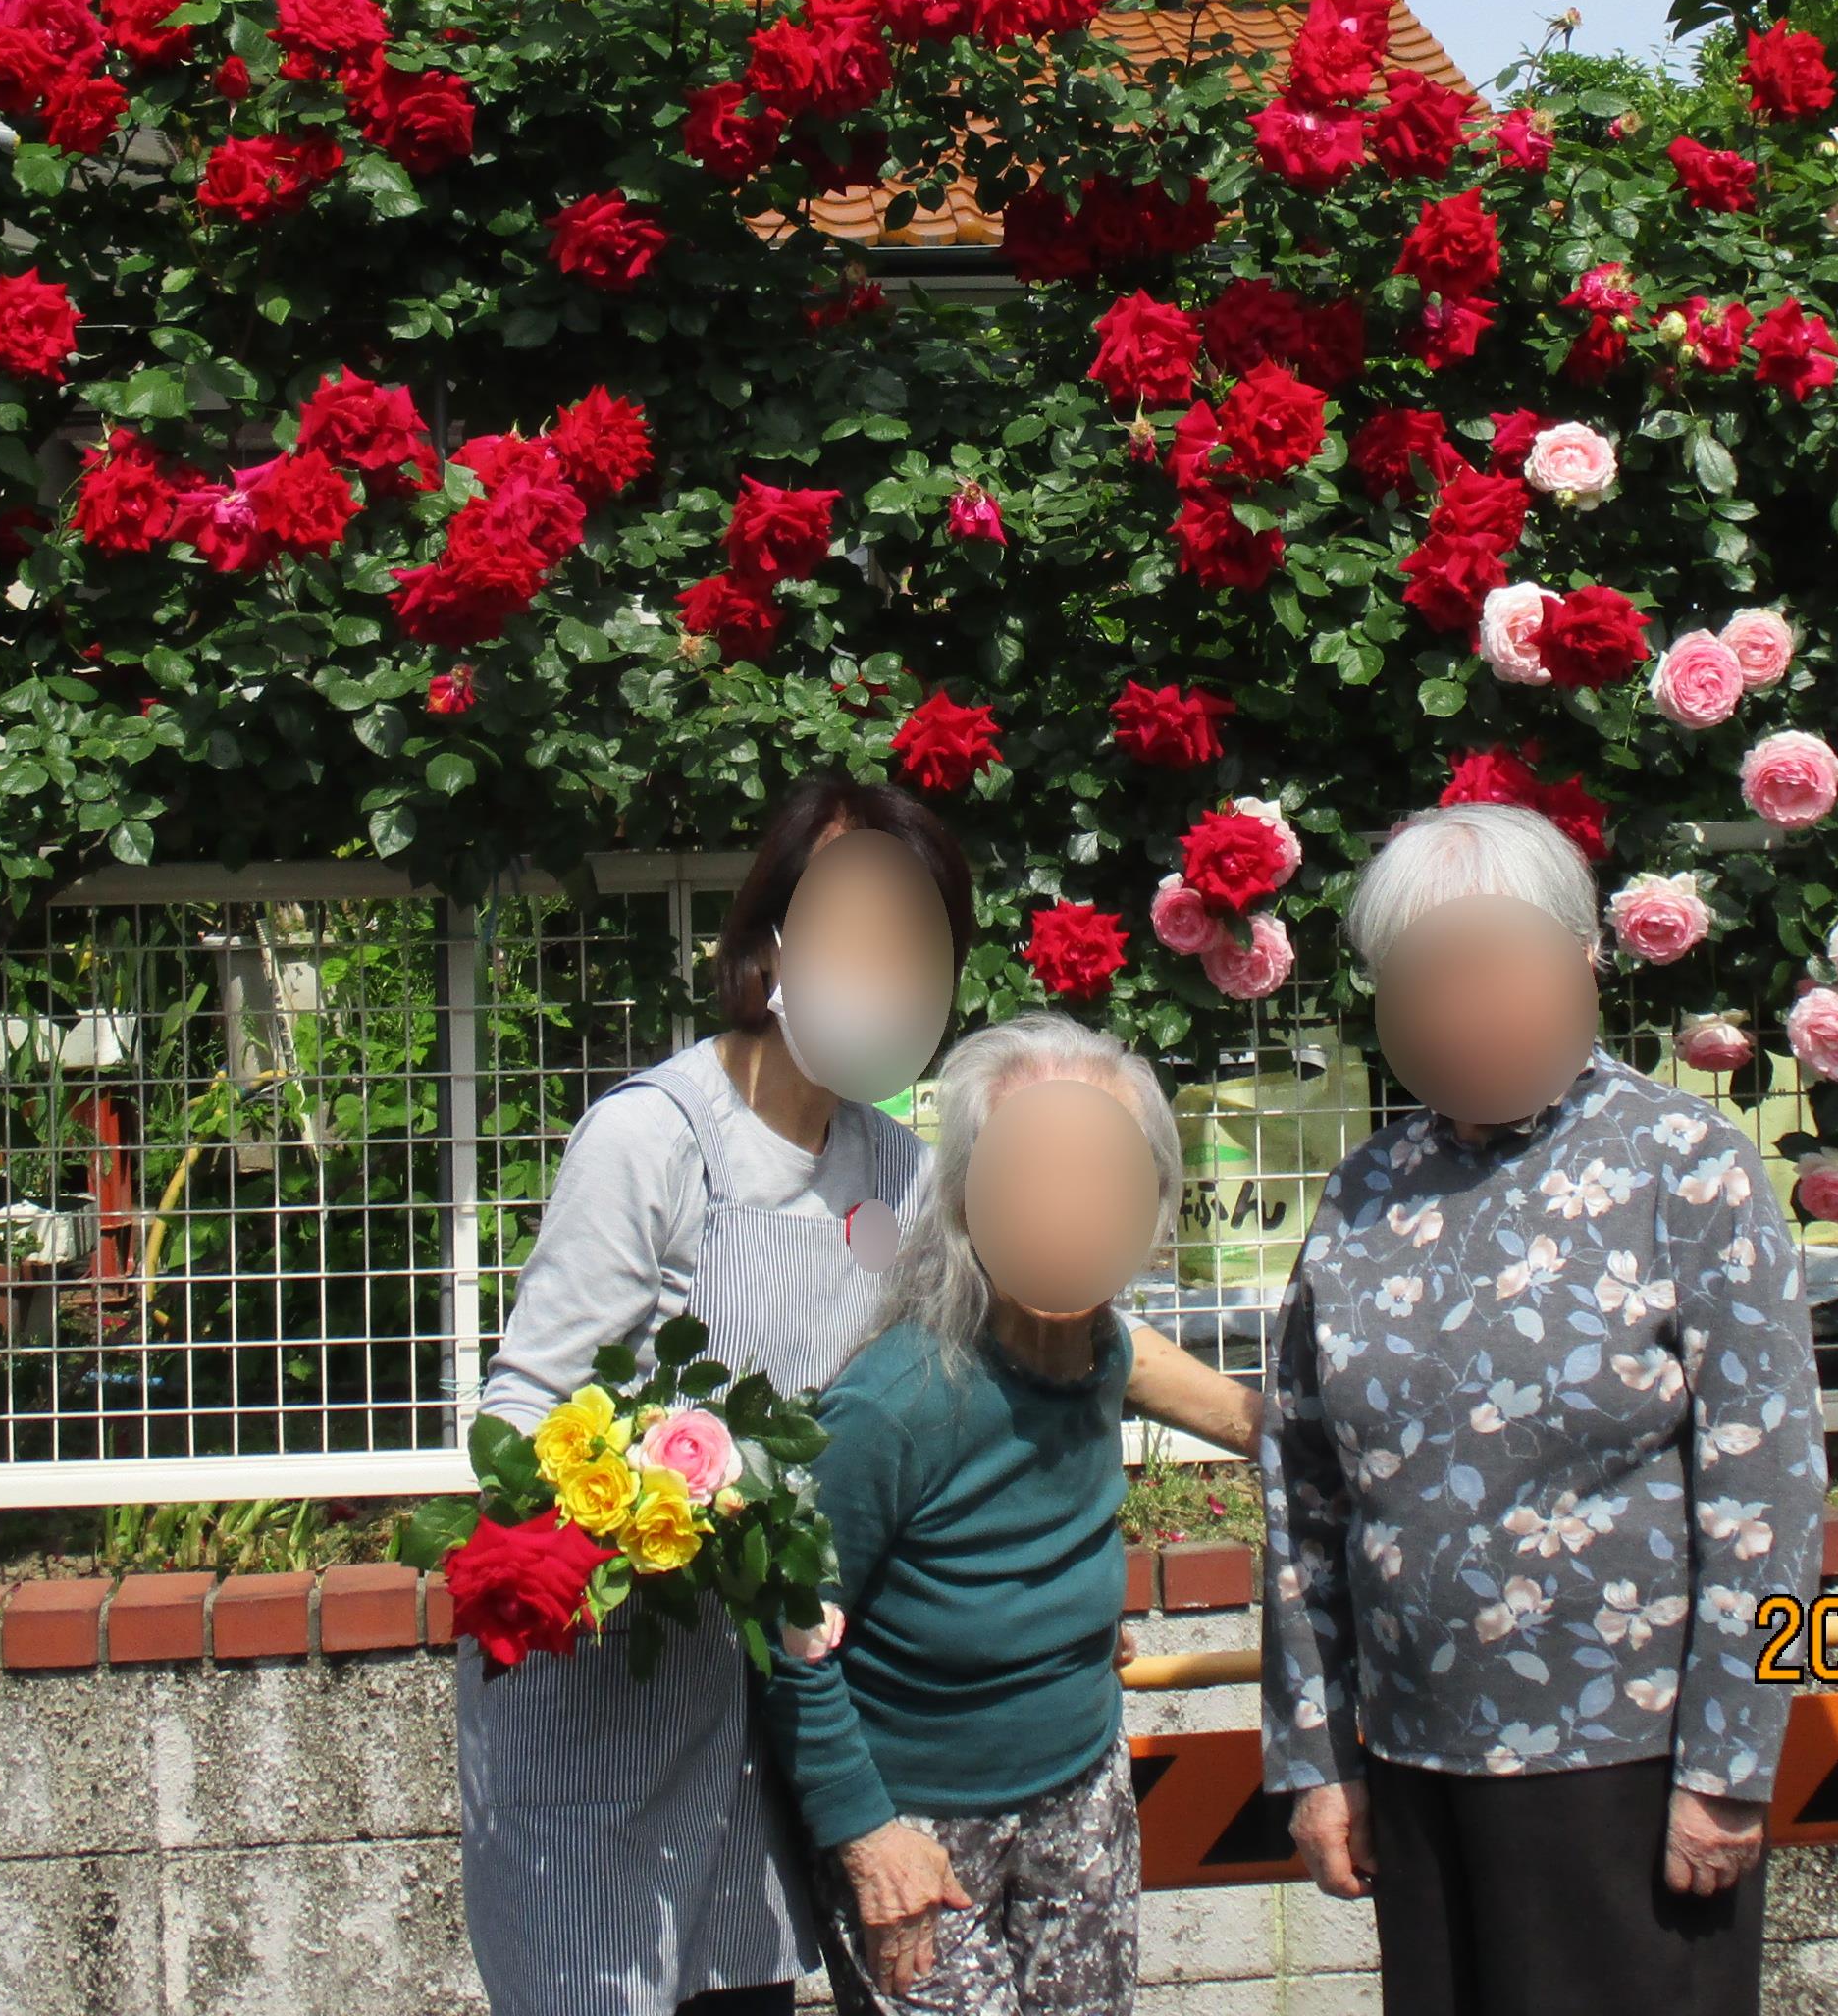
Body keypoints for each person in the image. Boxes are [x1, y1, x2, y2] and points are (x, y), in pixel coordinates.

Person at [460, 772, 1253, 2016]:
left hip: (781, 1706)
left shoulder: (899, 1168)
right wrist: (660, 1500)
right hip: (620, 1690)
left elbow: (1063, 1317)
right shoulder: (655, 1139)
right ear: (772, 941)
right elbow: (522, 1413)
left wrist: (1260, 1428)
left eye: (909, 944)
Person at [1258, 802, 1824, 2016]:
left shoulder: (1685, 1164)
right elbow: (1302, 1486)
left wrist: (1729, 1764)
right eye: (1427, 979)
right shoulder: (1365, 1191)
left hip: (1629, 1769)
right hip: (1414, 1763)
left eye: (1497, 967)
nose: (1464, 1007)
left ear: (1583, 963)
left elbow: (1767, 1485)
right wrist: (1318, 1754)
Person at [761, 1013, 1182, 2015]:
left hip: (1080, 1794)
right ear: (967, 1200)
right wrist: (866, 1836)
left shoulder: (1099, 1355)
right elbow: (789, 1625)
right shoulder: (899, 1399)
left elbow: (1223, 1409)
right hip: (919, 1827)